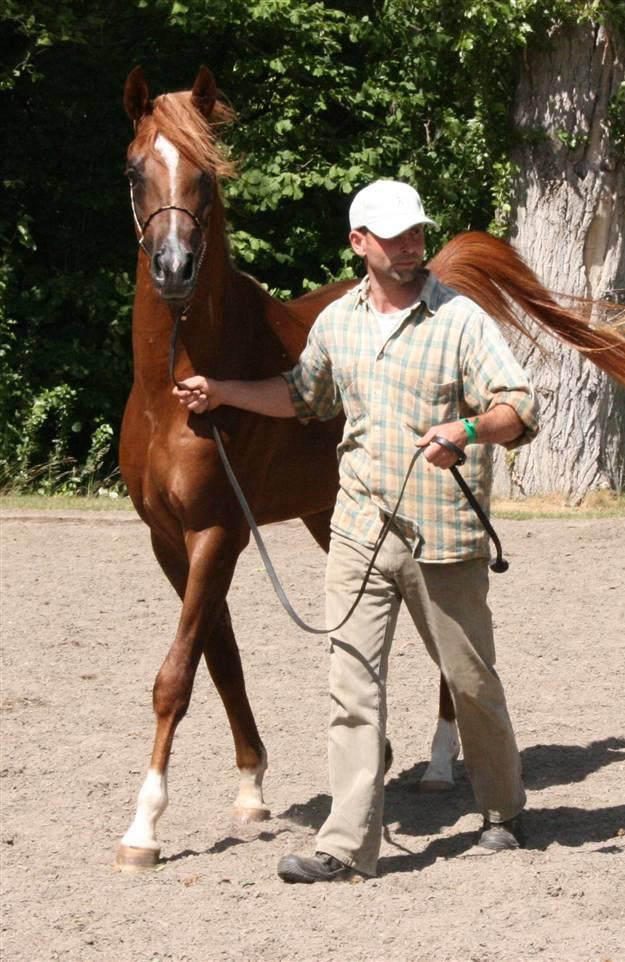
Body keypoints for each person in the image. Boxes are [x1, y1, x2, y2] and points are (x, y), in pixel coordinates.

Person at [174, 179, 539, 883]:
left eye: (416, 235)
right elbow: (301, 396)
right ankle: (346, 846)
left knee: (470, 681)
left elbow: (518, 407)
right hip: (360, 531)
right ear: (359, 243)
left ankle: (503, 808)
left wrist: (468, 428)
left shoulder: (460, 320)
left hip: (443, 534)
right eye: (395, 237)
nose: (411, 247)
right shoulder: (336, 323)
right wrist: (221, 391)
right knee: (352, 687)